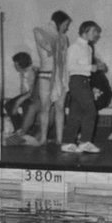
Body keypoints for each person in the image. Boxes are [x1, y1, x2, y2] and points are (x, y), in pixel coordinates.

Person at [62, 19, 103, 153]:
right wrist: (91, 67)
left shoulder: (88, 48)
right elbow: (69, 66)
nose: (96, 34)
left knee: (75, 113)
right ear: (85, 31)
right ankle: (85, 141)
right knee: (91, 111)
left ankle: (68, 143)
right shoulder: (74, 47)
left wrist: (92, 69)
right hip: (77, 81)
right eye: (94, 31)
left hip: (84, 81)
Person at [34, 10, 71, 145]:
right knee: (45, 107)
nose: (66, 28)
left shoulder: (64, 37)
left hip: (60, 75)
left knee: (60, 107)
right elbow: (48, 47)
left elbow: (65, 58)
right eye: (66, 24)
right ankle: (43, 138)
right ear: (59, 22)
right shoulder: (39, 31)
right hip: (46, 74)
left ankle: (59, 139)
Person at [5, 51, 40, 144]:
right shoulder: (23, 72)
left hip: (36, 97)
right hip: (28, 95)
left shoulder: (32, 72)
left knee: (24, 105)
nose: (14, 66)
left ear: (21, 64)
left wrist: (18, 103)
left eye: (16, 64)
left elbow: (32, 92)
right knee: (9, 105)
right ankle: (19, 129)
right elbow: (23, 92)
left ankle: (24, 131)